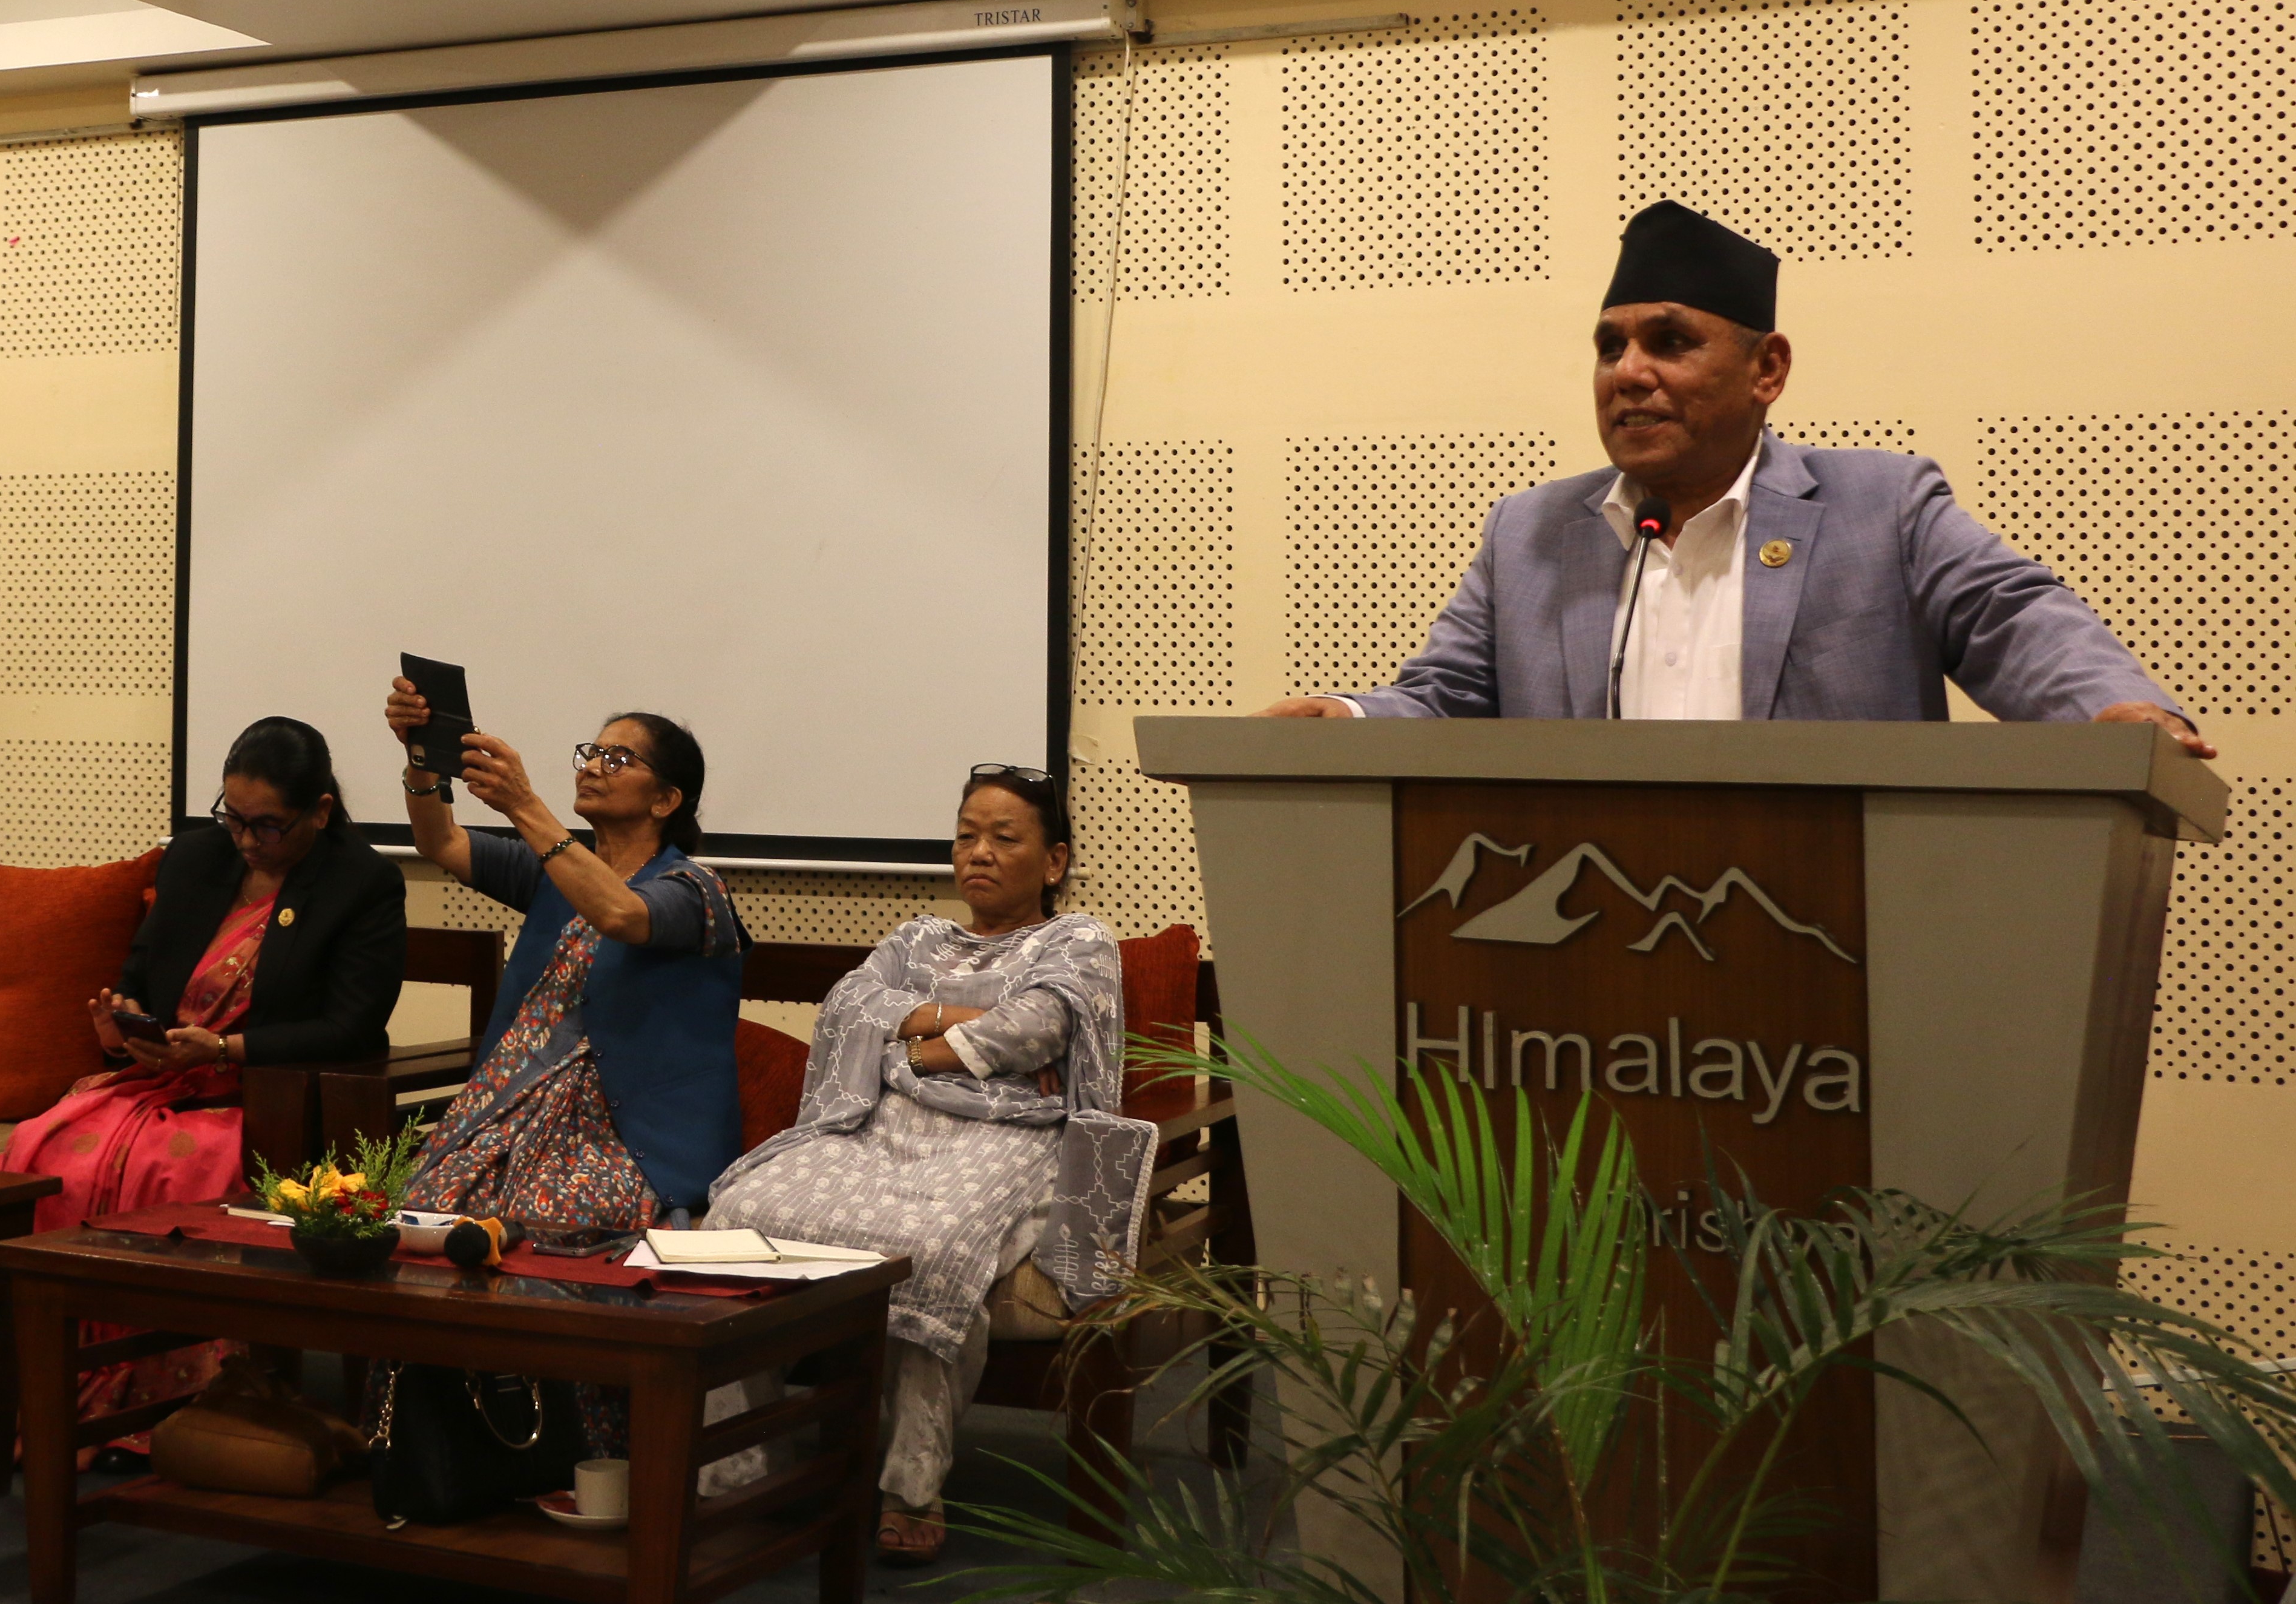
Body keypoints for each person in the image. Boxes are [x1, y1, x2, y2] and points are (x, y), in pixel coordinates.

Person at [1259, 200, 2211, 754]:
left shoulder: (1880, 508)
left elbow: (2013, 616)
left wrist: (2111, 713)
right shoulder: (1530, 535)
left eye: (1668, 342)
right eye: (1609, 346)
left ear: (1766, 370)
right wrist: (1343, 713)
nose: (1627, 371)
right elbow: (1444, 700)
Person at [704, 767, 1151, 1566]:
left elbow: (1034, 1031)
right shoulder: (914, 939)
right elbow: (845, 1007)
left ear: (1053, 861)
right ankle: (742, 1468)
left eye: (1003, 838)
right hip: (877, 1130)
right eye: (965, 835)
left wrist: (905, 1044)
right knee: (736, 1214)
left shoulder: (1076, 939)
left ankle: (910, 1485)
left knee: (931, 1248)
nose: (977, 853)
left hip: (1008, 1140)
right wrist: (950, 1026)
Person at [0, 715, 404, 1429]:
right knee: (39, 1150)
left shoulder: (362, 880)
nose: (244, 840)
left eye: (266, 825)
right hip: (162, 1078)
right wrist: (122, 1028)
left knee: (179, 1170)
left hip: (264, 1094)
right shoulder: (193, 859)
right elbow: (145, 973)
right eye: (233, 818)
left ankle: (186, 1408)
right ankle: (45, 1394)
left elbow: (353, 1025)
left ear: (321, 811)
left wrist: (224, 1052)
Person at [385, 680, 749, 1450]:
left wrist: (525, 804)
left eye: (619, 757)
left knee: (541, 1229)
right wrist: (424, 756)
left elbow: (621, 914)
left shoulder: (696, 891)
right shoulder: (556, 868)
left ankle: (581, 1452)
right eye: (593, 751)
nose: (594, 765)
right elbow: (440, 842)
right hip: (510, 1110)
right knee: (423, 1214)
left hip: (625, 1137)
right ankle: (449, 1444)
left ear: (666, 798)